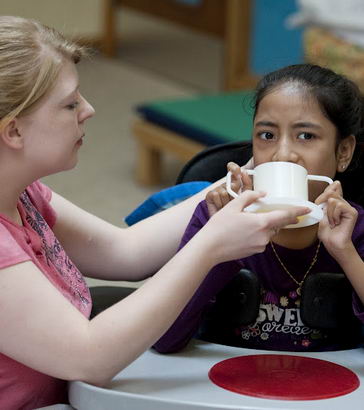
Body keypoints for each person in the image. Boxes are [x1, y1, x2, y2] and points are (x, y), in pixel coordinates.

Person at [0, 16, 310, 409]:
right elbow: (88, 358)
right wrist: (210, 247)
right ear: (13, 131)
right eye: (69, 103)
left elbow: (123, 251)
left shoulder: (22, 192)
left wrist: (246, 178)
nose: (89, 110)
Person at [153, 63, 364, 355]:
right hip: (223, 394)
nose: (282, 154)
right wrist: (220, 244)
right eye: (267, 136)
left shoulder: (355, 228)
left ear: (343, 152)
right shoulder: (215, 216)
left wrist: (346, 254)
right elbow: (164, 340)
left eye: (306, 136)